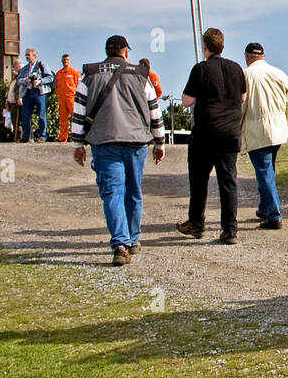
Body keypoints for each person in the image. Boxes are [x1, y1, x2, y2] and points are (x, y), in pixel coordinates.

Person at [70, 35, 165, 266]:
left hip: (104, 143)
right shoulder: (141, 74)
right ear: (125, 52)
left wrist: (78, 144)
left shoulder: (89, 75)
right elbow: (155, 111)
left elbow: (79, 111)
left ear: (107, 51)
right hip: (136, 144)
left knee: (112, 193)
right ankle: (133, 239)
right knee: (134, 191)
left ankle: (120, 244)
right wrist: (160, 143)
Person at [177, 28, 247, 244]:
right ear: (222, 46)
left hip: (206, 134)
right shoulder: (236, 69)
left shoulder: (200, 69)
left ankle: (196, 223)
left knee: (199, 180)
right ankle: (230, 229)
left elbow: (186, 101)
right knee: (228, 181)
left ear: (205, 47)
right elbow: (243, 97)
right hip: (230, 133)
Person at [241, 42, 288, 230]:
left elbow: (242, 105)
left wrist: (237, 127)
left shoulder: (245, 75)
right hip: (278, 129)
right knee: (268, 169)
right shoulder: (279, 74)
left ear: (248, 57)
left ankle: (273, 214)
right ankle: (264, 208)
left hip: (258, 130)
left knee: (264, 172)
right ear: (263, 56)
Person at [16, 48, 54, 142]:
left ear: (34, 56)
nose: (27, 57)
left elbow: (50, 78)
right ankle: (26, 136)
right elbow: (18, 80)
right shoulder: (25, 68)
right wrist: (25, 80)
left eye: (28, 55)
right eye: (26, 55)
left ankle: (42, 136)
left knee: (41, 114)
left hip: (39, 92)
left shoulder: (42, 65)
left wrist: (40, 81)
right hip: (28, 92)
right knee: (25, 114)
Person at [54, 54, 81, 143]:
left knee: (76, 118)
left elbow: (79, 85)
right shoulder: (58, 73)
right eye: (64, 60)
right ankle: (63, 137)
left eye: (67, 60)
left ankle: (79, 136)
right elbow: (56, 85)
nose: (66, 61)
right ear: (62, 61)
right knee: (63, 118)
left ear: (69, 61)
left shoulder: (74, 72)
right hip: (61, 98)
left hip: (71, 97)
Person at [5, 61, 25, 141]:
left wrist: (20, 98)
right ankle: (16, 137)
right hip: (11, 104)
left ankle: (20, 137)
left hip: (18, 103)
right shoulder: (13, 80)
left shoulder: (20, 79)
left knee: (19, 122)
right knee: (14, 121)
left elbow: (21, 90)